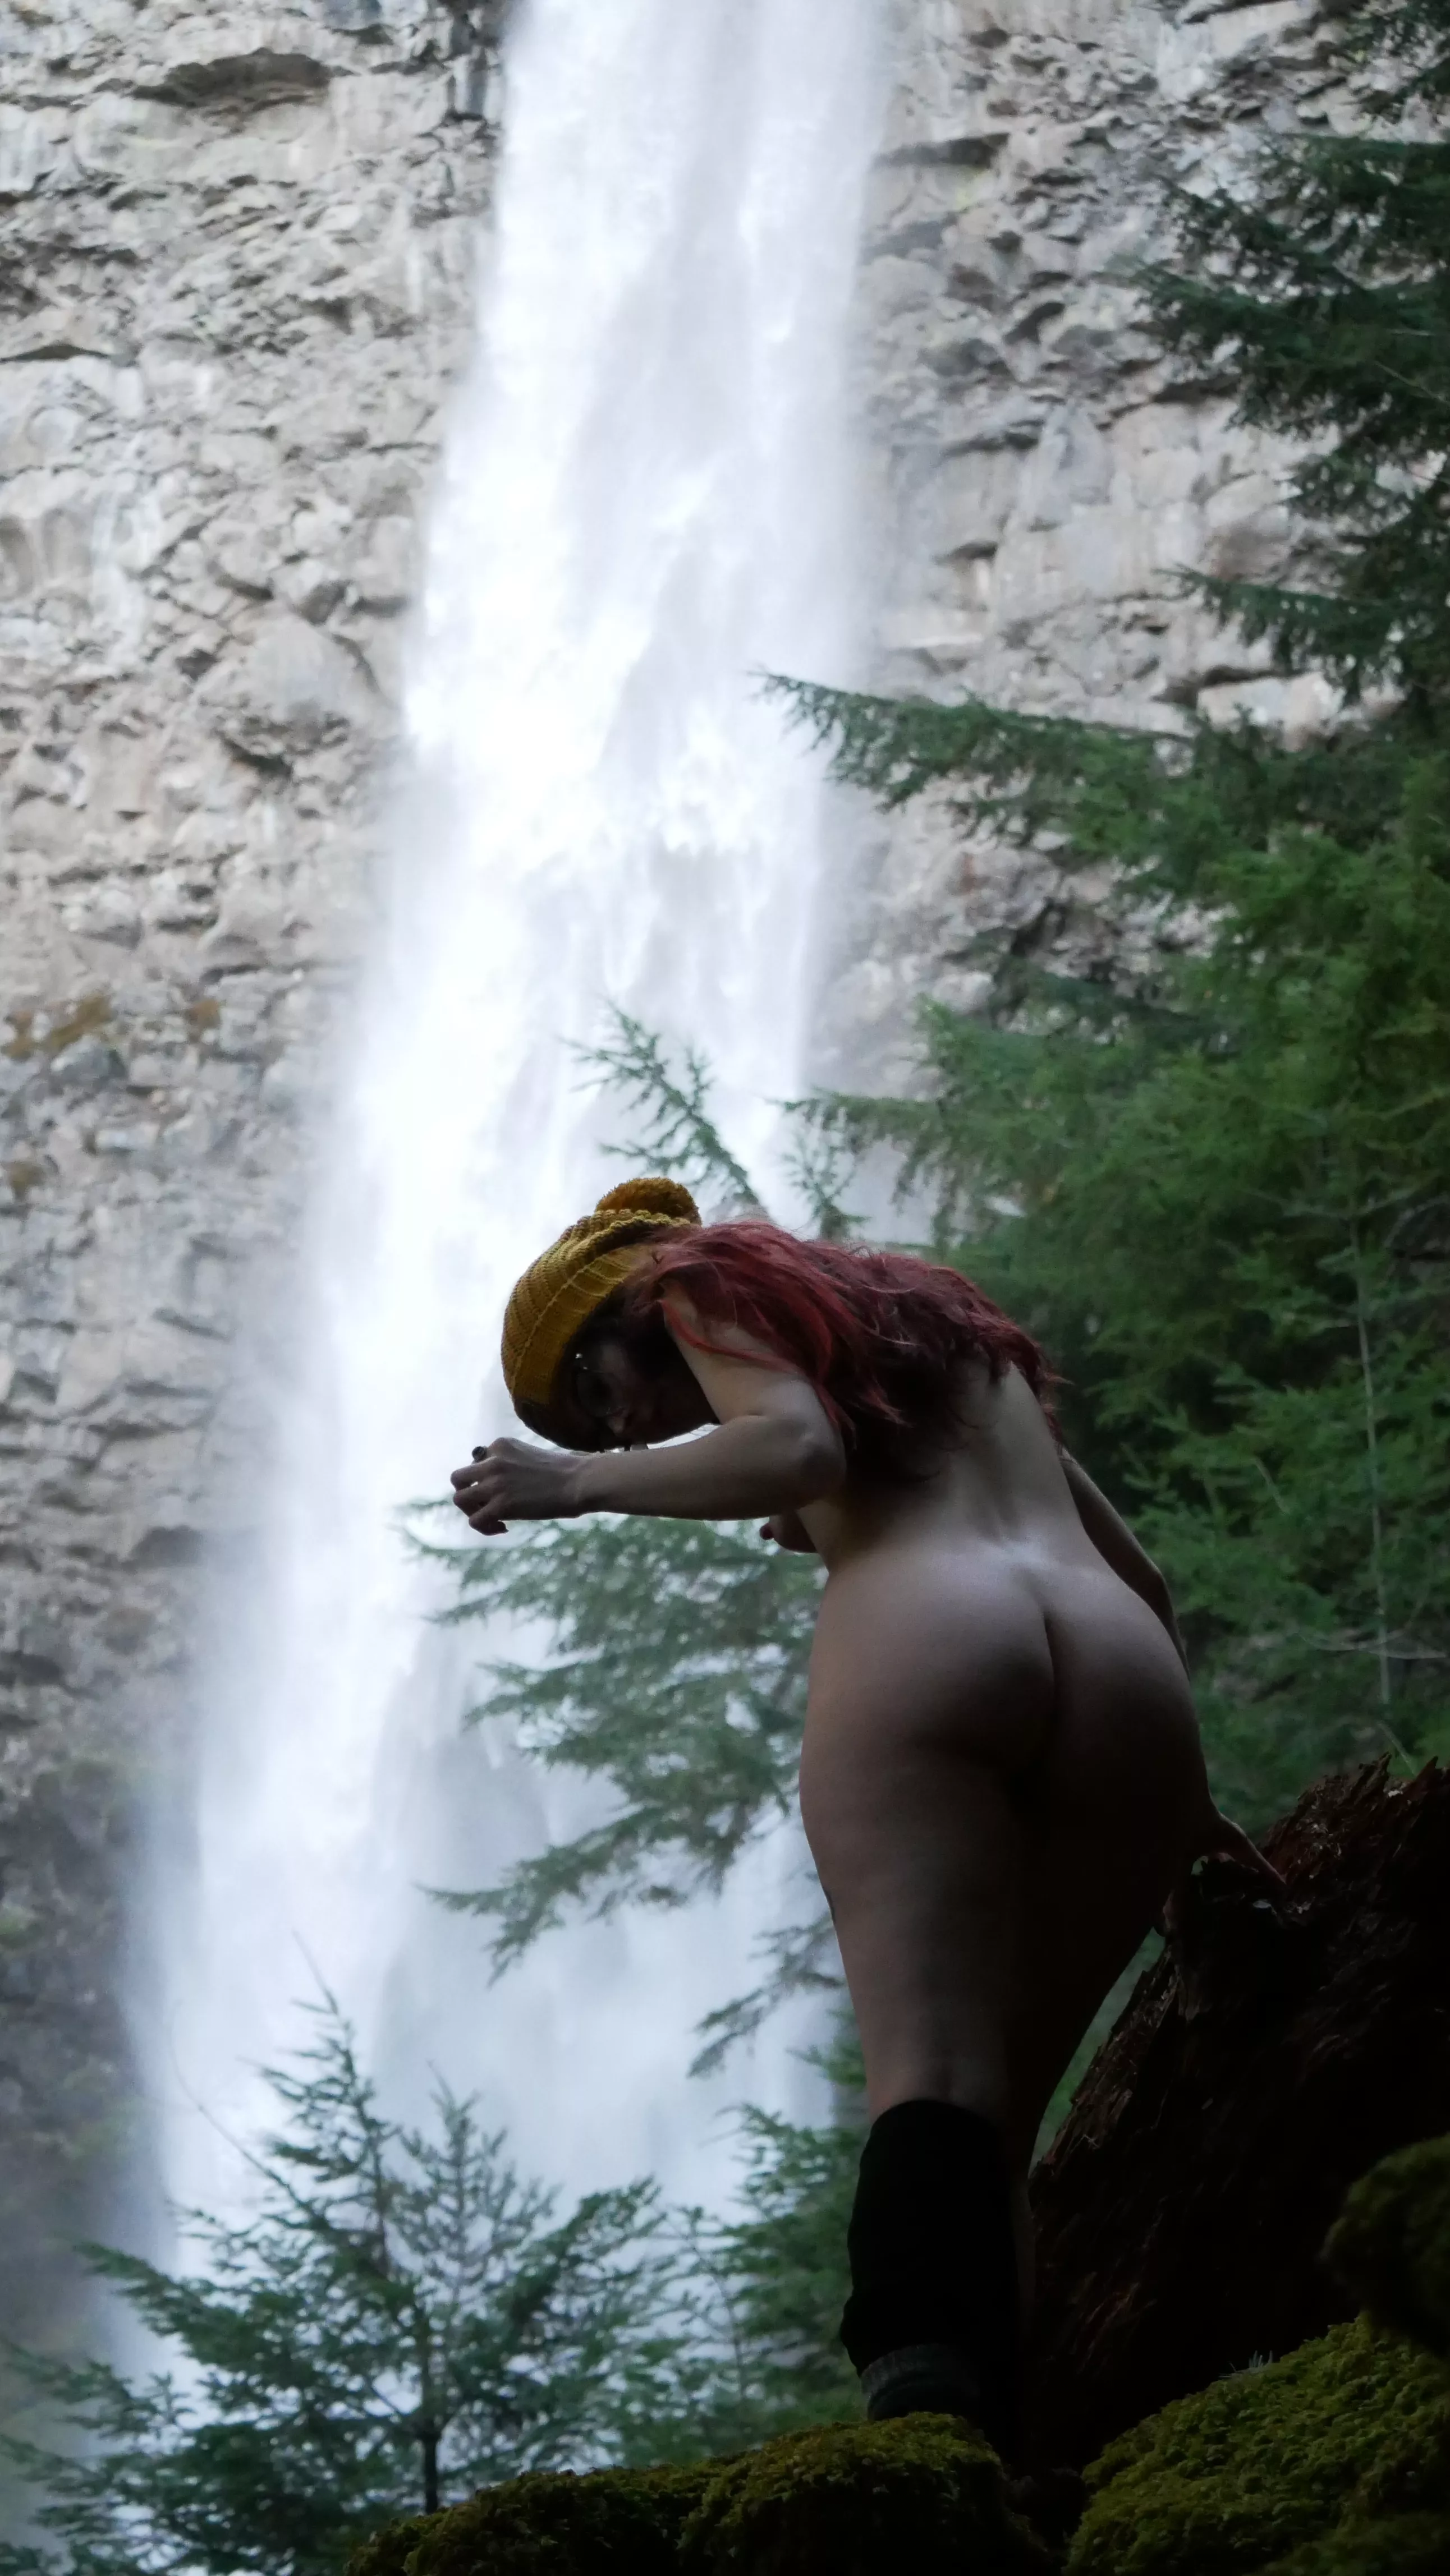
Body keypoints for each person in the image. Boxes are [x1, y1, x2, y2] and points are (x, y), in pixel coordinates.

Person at [450, 1175, 1278, 2457]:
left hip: (930, 1632)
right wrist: (1185, 1805)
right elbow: (1145, 1576)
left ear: (627, 1306)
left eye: (594, 1391)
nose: (620, 1428)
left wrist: (572, 1483)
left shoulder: (691, 1284)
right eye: (593, 1429)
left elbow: (798, 1450)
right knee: (993, 2133)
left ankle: (920, 2461)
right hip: (1122, 1665)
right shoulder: (938, 1333)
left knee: (932, 2080)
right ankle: (1011, 2449)